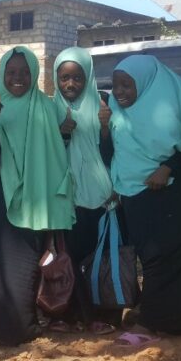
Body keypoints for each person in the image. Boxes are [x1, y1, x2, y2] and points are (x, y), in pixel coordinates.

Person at [0, 46, 75, 346]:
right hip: (5, 195)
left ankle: (21, 325)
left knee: (25, 263)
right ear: (2, 74)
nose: (18, 78)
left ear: (34, 74)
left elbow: (58, 149)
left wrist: (65, 131)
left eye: (25, 72)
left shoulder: (47, 106)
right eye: (12, 72)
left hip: (36, 198)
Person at [109, 55, 181, 342]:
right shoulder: (115, 111)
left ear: (146, 83)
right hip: (134, 193)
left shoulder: (171, 104)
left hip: (170, 192)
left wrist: (167, 167)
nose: (120, 91)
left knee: (162, 257)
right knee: (149, 257)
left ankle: (149, 324)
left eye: (127, 85)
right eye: (116, 85)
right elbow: (117, 150)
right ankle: (175, 321)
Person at [51, 47, 118, 335]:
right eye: (64, 78)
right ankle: (77, 316)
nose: (70, 84)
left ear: (88, 77)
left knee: (96, 258)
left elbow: (111, 154)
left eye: (77, 78)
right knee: (70, 258)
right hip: (68, 196)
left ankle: (103, 313)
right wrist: (62, 133)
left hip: (101, 195)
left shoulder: (102, 104)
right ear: (56, 78)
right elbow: (46, 156)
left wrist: (104, 128)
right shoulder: (50, 109)